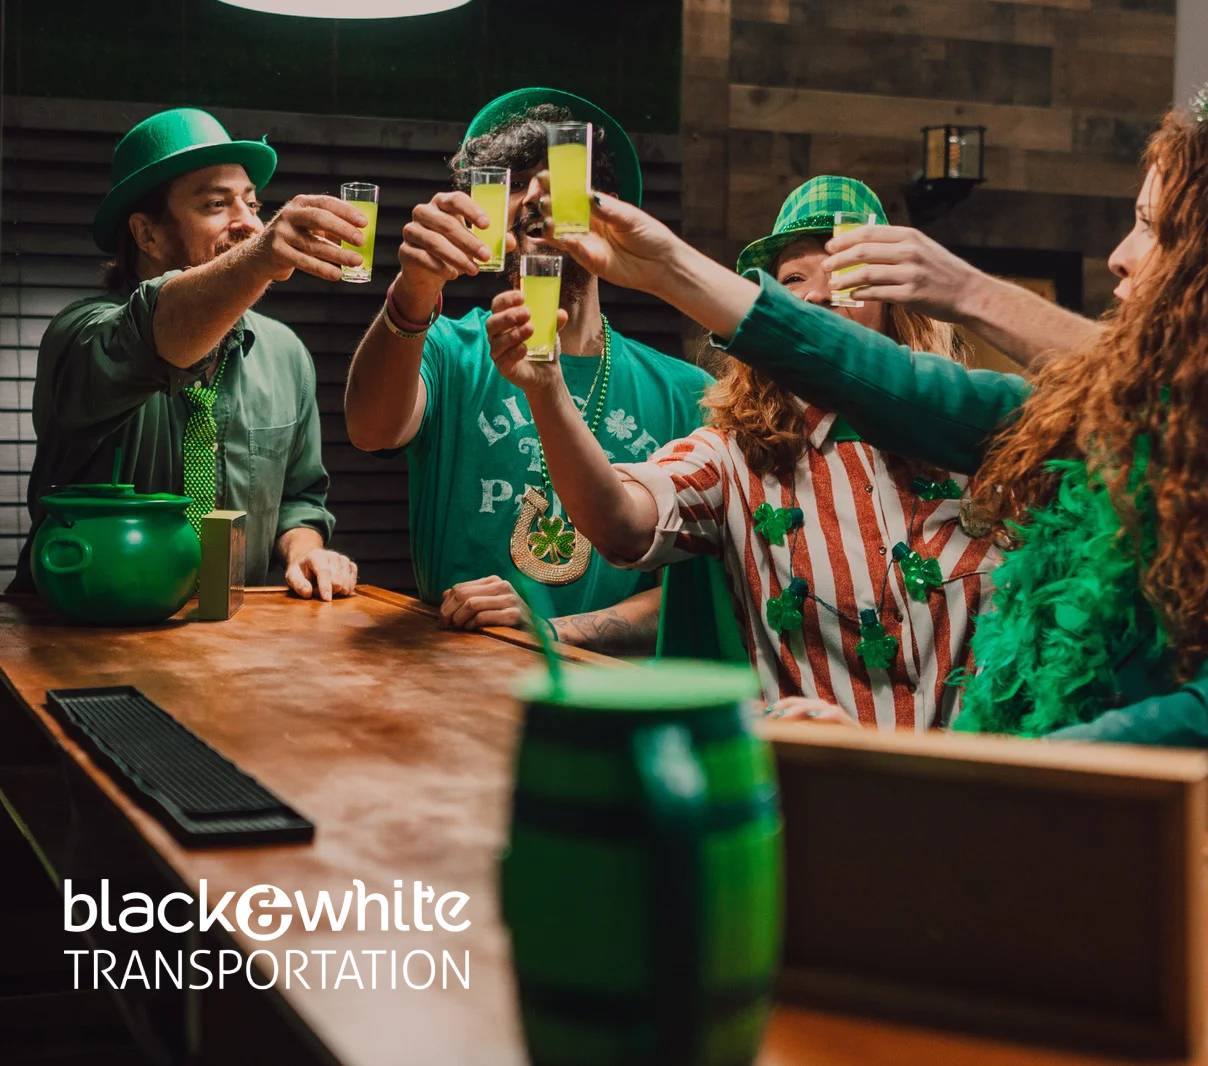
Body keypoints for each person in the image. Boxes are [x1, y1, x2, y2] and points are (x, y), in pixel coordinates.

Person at [530, 58, 1208, 860]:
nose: (1121, 257)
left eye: (1158, 229)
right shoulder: (1105, 415)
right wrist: (663, 268)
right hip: (1008, 841)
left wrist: (925, 765)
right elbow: (898, 387)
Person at [491, 176, 996, 730]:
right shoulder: (736, 457)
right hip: (812, 790)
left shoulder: (977, 441)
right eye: (794, 279)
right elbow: (618, 521)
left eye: (848, 274)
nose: (816, 295)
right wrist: (547, 390)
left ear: (897, 304)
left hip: (974, 796)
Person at [343, 89, 711, 652]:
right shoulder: (450, 349)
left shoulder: (687, 393)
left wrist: (548, 634)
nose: (525, 232)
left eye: (546, 205)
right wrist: (414, 287)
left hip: (609, 703)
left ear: (606, 213)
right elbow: (370, 429)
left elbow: (696, 592)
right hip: (453, 678)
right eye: (510, 214)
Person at [11, 107, 357, 600]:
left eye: (253, 205)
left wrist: (305, 550)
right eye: (217, 205)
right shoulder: (83, 335)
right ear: (146, 233)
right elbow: (157, 334)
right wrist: (260, 260)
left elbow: (299, 499)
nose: (247, 224)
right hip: (81, 629)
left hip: (232, 635)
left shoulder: (285, 354)